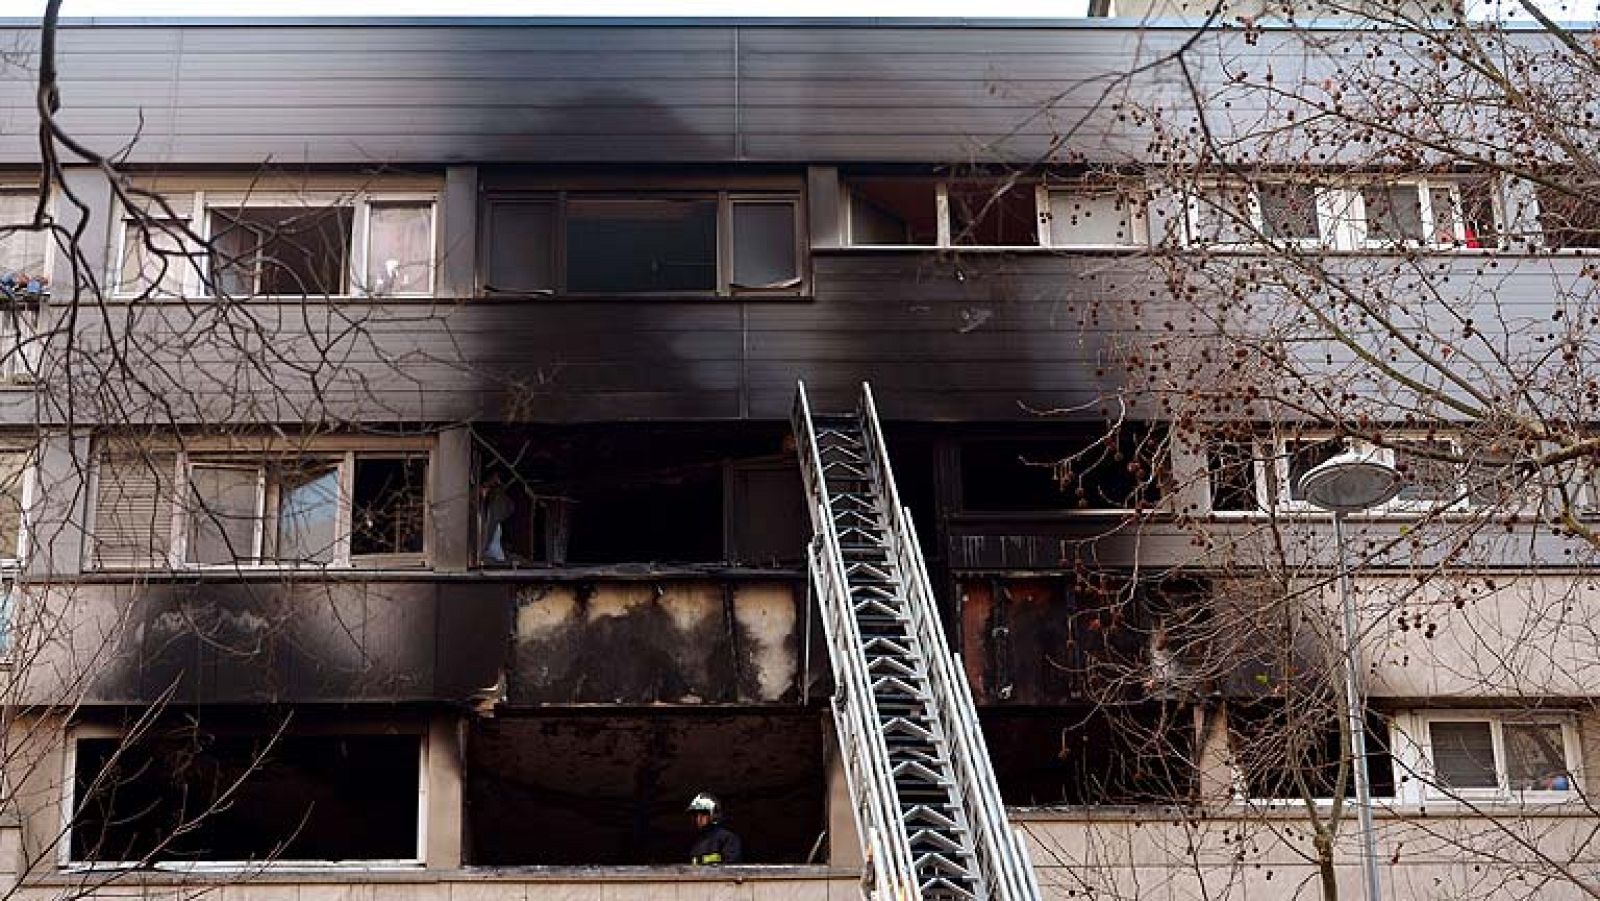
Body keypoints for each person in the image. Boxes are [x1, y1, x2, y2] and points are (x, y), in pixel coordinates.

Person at [687, 793, 742, 865]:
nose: (699, 818)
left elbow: (732, 867)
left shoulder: (728, 838)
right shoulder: (696, 841)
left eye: (704, 813)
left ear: (715, 814)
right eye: (696, 814)